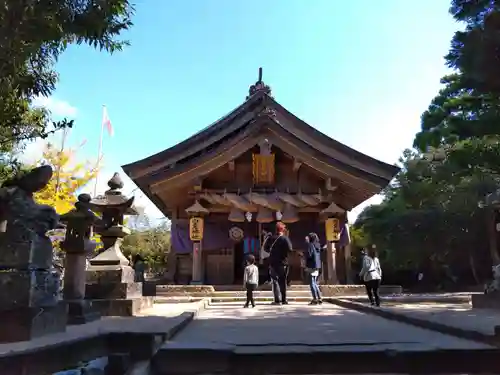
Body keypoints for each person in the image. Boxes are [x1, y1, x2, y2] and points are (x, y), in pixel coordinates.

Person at [265, 221, 293, 305]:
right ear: (283, 230)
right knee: (282, 281)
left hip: (273, 262)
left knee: (275, 281)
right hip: (283, 262)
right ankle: (284, 300)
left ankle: (277, 300)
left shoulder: (270, 238)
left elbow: (266, 248)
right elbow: (290, 249)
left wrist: (273, 252)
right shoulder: (285, 238)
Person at [305, 232, 322, 305]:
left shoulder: (310, 245)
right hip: (317, 265)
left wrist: (303, 254)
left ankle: (315, 299)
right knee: (315, 282)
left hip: (311, 266)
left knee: (312, 283)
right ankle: (319, 298)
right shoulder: (317, 245)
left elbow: (309, 255)